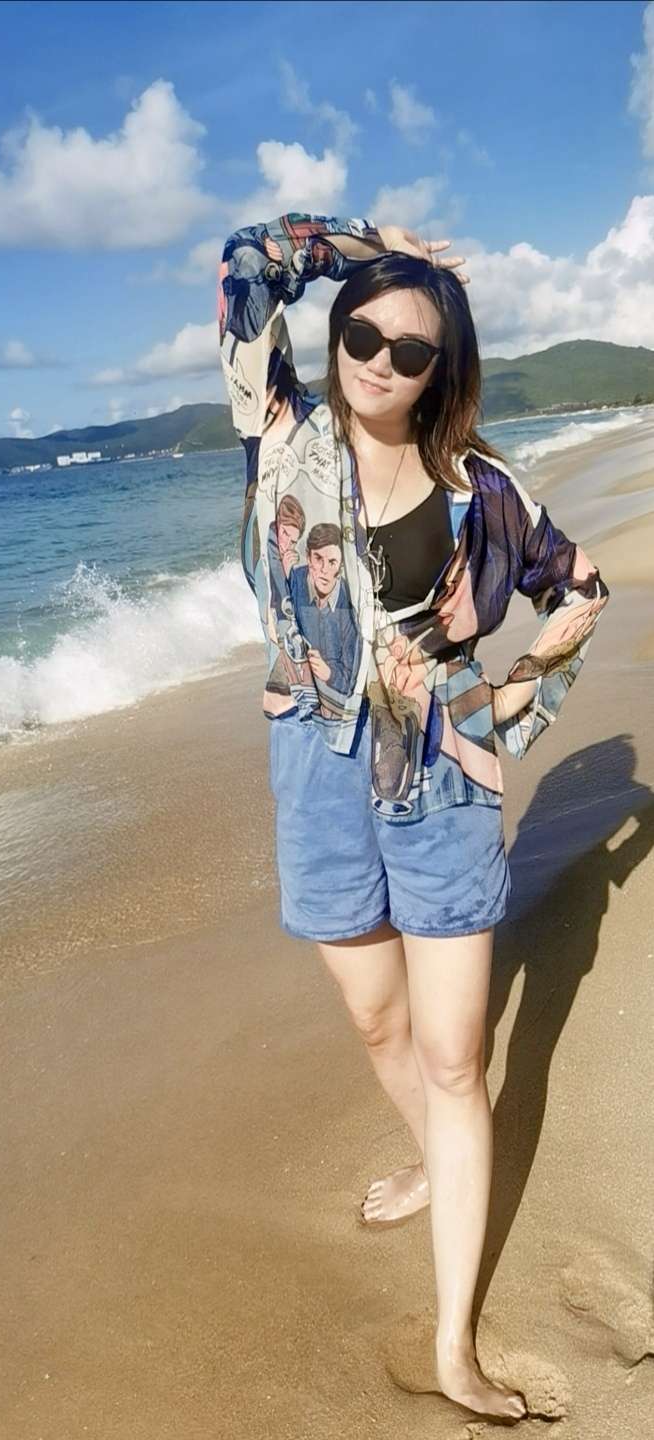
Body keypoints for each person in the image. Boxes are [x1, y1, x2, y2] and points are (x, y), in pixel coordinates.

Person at [217, 213, 609, 1424]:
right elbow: (248, 263)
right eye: (364, 335)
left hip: (442, 785)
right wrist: (370, 244)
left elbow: (581, 592)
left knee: (452, 1055)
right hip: (315, 768)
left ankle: (454, 1343)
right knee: (379, 1024)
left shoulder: (481, 492)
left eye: (413, 349)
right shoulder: (277, 431)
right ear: (337, 334)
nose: (382, 361)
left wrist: (497, 711)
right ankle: (442, 1160)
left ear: (444, 369)